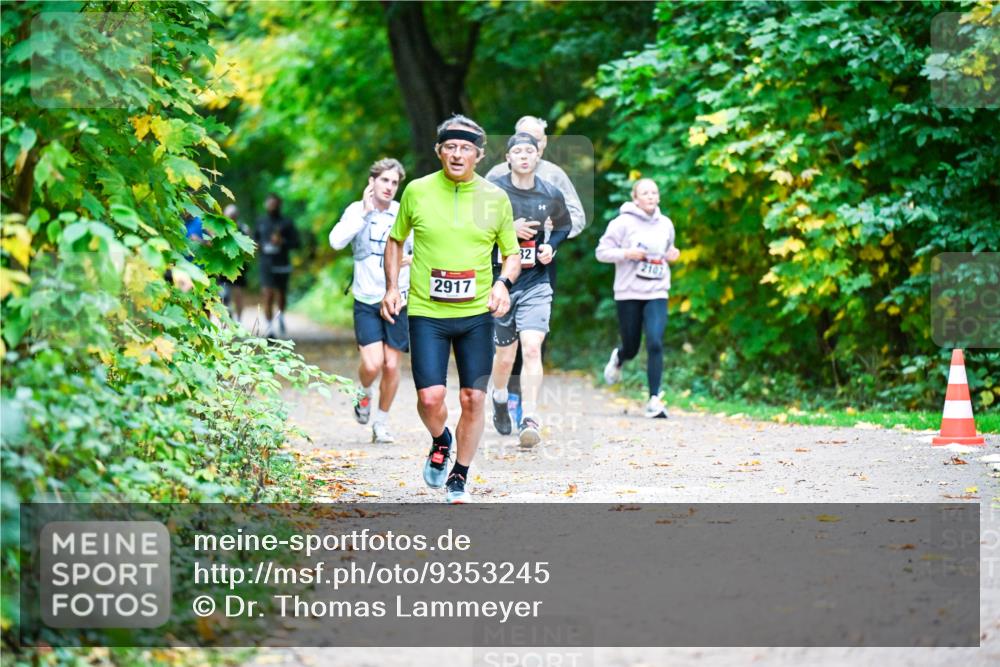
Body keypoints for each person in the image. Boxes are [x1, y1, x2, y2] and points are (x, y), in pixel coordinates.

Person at [381, 114, 520, 504]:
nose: (458, 154)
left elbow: (512, 255)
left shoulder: (495, 198)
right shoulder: (418, 191)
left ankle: (459, 475)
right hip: (427, 311)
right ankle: (440, 439)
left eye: (466, 148)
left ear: (478, 155)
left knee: (473, 399)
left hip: (476, 314)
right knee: (430, 398)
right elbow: (395, 241)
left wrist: (502, 284)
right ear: (439, 151)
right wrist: (393, 287)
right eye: (450, 147)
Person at [485, 115, 586, 426]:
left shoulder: (554, 178)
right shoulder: (495, 178)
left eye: (536, 140)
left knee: (532, 343)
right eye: (521, 141)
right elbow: (476, 224)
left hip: (539, 269)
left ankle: (527, 413)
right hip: (501, 275)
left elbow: (574, 218)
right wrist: (506, 230)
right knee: (505, 352)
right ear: (510, 148)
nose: (528, 147)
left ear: (543, 146)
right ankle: (502, 396)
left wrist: (551, 240)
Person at [329, 158, 413, 444]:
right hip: (366, 298)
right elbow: (336, 241)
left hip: (398, 299)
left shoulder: (403, 213)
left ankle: (381, 422)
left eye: (394, 183)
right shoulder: (356, 210)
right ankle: (364, 392)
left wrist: (407, 261)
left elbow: (419, 250)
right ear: (372, 182)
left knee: (392, 365)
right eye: (385, 181)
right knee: (373, 363)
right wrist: (363, 213)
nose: (389, 187)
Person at [595, 178, 681, 419]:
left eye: (654, 192)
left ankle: (654, 399)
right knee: (632, 346)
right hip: (628, 292)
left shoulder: (666, 224)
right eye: (645, 192)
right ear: (635, 198)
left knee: (655, 341)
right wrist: (626, 253)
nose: (651, 196)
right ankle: (620, 357)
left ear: (659, 197)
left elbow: (668, 251)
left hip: (657, 291)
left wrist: (672, 254)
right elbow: (601, 252)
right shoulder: (622, 223)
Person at [254, 193, 299, 338]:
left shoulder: (286, 222)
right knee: (268, 294)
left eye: (275, 204)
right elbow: (254, 241)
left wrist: (282, 242)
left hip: (282, 263)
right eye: (269, 203)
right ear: (265, 205)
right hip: (265, 263)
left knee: (281, 294)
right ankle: (269, 328)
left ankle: (281, 317)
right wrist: (257, 246)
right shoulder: (260, 221)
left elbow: (297, 243)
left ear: (279, 205)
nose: (272, 206)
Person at [221, 203, 251, 322]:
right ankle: (229, 318)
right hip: (223, 267)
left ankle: (239, 320)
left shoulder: (243, 228)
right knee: (224, 295)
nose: (231, 217)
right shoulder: (220, 229)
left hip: (238, 267)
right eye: (228, 215)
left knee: (238, 294)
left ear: (236, 216)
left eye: (233, 215)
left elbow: (249, 247)